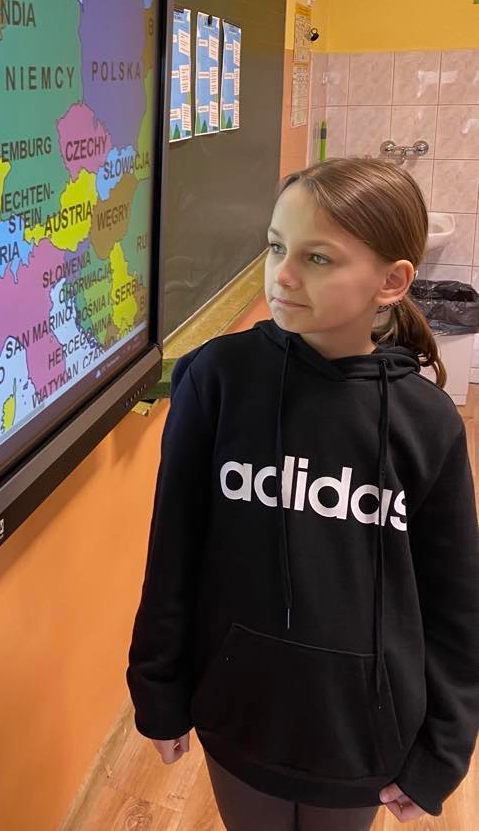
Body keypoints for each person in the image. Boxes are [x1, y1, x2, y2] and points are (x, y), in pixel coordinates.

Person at [127, 157, 479, 830]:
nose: (283, 275)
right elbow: (173, 552)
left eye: (317, 258)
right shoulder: (216, 381)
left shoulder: (427, 423)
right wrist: (158, 687)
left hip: (362, 735)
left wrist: (443, 748)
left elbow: (455, 602)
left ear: (392, 282)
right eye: (276, 246)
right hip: (240, 712)